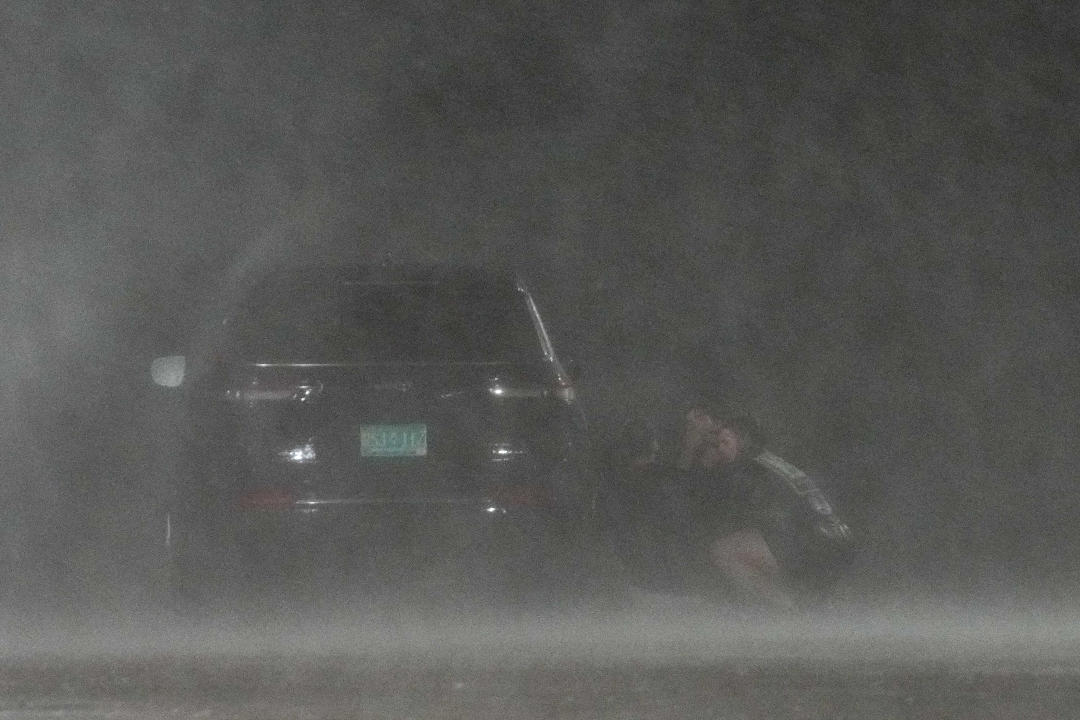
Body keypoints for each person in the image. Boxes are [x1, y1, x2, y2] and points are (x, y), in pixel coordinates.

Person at [674, 403, 856, 609]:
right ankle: (812, 602)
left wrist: (695, 456)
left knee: (722, 550)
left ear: (742, 443)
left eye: (723, 443)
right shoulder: (767, 462)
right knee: (750, 541)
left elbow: (696, 506)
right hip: (836, 541)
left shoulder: (746, 470)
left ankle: (786, 610)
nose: (718, 449)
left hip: (817, 545)